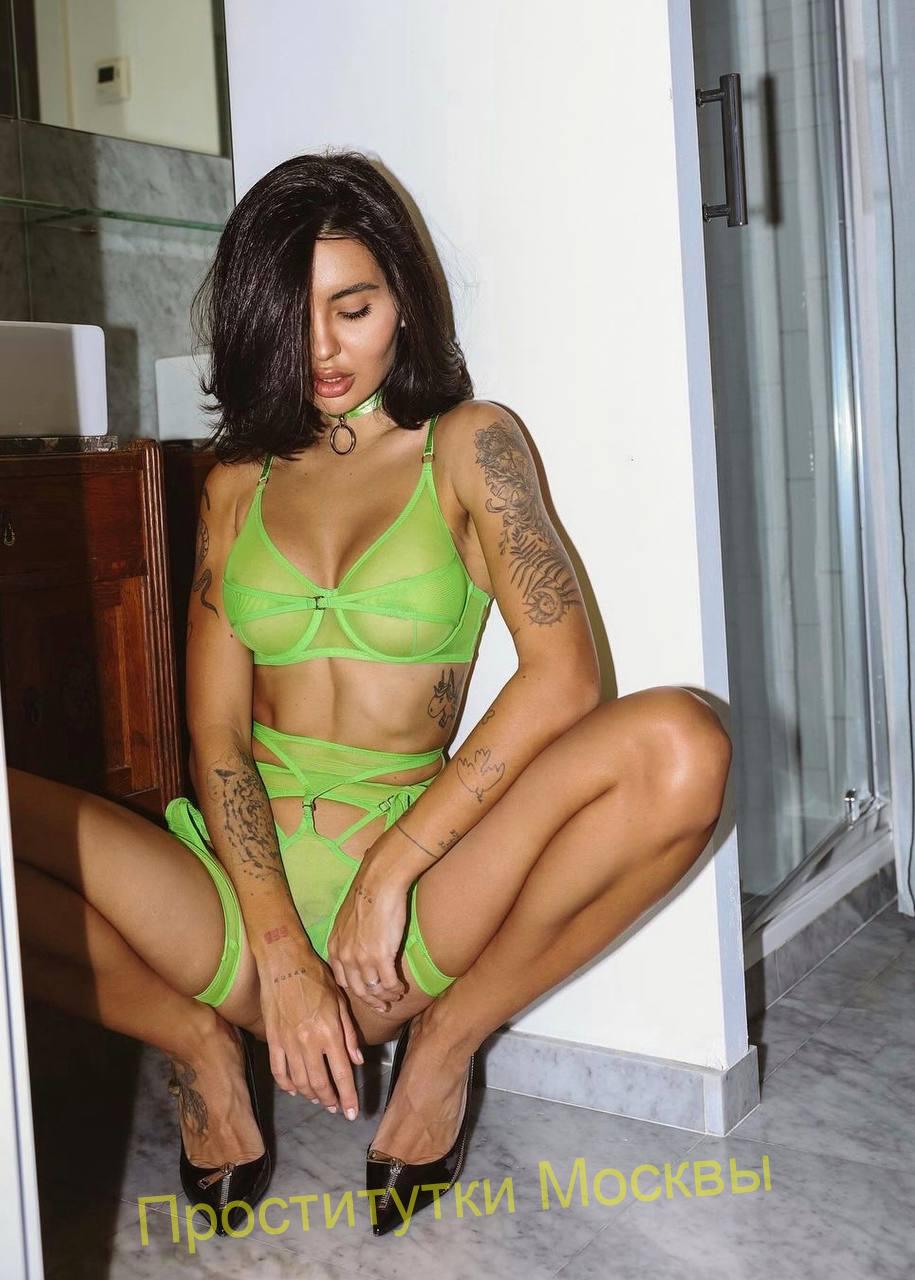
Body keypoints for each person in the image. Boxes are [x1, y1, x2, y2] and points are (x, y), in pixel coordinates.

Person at [9, 150, 732, 1238]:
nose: (322, 348)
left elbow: (565, 676)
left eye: (353, 308)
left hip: (410, 900)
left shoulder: (470, 446)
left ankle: (446, 1045)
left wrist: (390, 874)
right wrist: (280, 952)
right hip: (236, 898)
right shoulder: (236, 481)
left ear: (405, 302)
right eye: (292, 315)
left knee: (682, 743)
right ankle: (193, 1042)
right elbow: (215, 733)